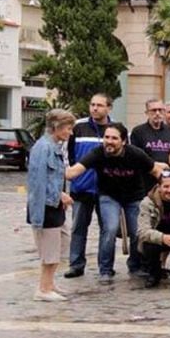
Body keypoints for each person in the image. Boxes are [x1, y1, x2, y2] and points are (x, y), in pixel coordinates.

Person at [66, 123, 164, 283]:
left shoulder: (136, 154)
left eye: (114, 138)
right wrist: (54, 169)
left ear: (124, 141)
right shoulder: (97, 153)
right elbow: (74, 171)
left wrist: (163, 190)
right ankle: (105, 269)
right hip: (108, 196)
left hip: (134, 196)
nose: (109, 141)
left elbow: (157, 171)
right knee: (110, 229)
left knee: (137, 231)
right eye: (106, 137)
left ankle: (135, 265)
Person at [26, 109, 76, 301]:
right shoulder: (43, 148)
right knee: (50, 249)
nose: (70, 133)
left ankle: (49, 284)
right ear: (57, 127)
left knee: (61, 243)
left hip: (55, 205)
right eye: (68, 128)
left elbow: (57, 177)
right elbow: (38, 182)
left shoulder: (55, 146)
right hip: (45, 207)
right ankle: (43, 288)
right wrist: (59, 195)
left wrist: (61, 195)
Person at [64, 93, 111, 279]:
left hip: (107, 189)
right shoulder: (79, 127)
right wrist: (72, 179)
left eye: (99, 105)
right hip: (81, 188)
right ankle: (76, 264)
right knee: (78, 228)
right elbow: (68, 156)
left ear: (109, 107)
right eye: (92, 104)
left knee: (107, 229)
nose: (95, 108)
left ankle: (105, 266)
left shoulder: (115, 129)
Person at [130, 98, 170, 194]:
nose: (157, 113)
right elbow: (135, 158)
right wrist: (155, 164)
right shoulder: (138, 132)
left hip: (167, 184)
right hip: (145, 183)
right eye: (153, 110)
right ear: (147, 113)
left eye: (160, 110)